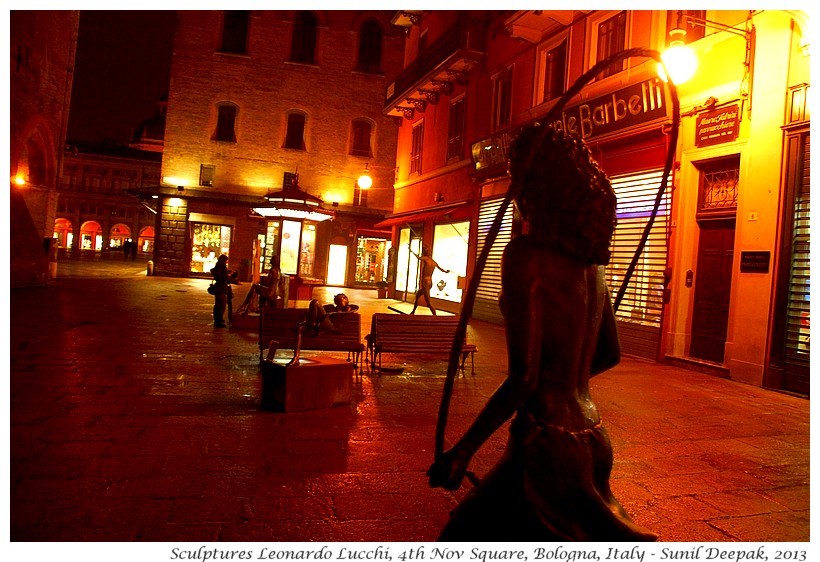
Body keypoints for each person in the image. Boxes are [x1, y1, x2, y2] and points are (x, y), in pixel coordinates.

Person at [426, 125, 657, 542]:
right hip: (593, 438)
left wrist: (463, 452)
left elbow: (524, 378)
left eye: (519, 176)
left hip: (546, 443)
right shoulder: (593, 267)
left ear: (535, 184)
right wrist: (568, 381)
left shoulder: (525, 260)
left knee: (461, 536)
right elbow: (610, 354)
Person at [410, 247, 450, 315]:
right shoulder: (434, 262)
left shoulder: (426, 259)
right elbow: (442, 270)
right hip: (430, 282)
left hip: (425, 282)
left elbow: (418, 258)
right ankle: (413, 311)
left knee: (428, 302)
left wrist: (411, 251)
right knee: (418, 295)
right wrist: (446, 271)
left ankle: (435, 315)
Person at [210, 254, 238, 328]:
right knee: (221, 305)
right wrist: (233, 277)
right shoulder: (221, 268)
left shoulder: (218, 267)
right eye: (226, 261)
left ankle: (218, 319)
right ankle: (218, 321)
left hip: (219, 288)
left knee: (218, 305)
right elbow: (225, 278)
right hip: (221, 289)